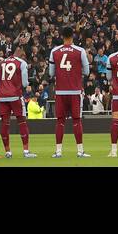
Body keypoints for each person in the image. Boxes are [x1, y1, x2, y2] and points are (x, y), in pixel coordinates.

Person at [48, 26, 90, 158]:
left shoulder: (54, 51)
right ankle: (80, 151)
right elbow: (87, 71)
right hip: (75, 91)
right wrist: (76, 72)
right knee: (77, 120)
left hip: (60, 91)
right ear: (73, 36)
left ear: (61, 36)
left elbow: (50, 73)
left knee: (60, 121)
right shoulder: (80, 51)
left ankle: (58, 151)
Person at [0, 45, 37, 159]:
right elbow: (24, 83)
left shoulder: (2, 62)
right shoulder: (21, 63)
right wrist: (27, 84)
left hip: (3, 97)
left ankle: (8, 152)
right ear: (21, 52)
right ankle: (26, 151)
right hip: (15, 96)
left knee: (5, 123)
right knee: (22, 122)